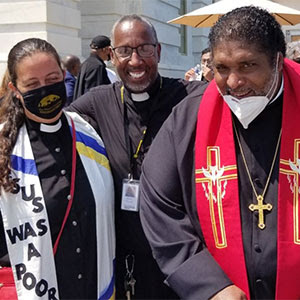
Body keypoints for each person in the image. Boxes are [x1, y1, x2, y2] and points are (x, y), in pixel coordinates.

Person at [140, 6, 300, 300]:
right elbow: (158, 202)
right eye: (222, 69)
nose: (234, 83)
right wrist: (207, 284)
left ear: (278, 61)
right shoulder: (191, 116)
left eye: (248, 66)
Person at [68, 14, 204, 299]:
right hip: (126, 252)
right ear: (111, 55)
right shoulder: (98, 101)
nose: (135, 61)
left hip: (180, 254)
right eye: (124, 51)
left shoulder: (189, 97)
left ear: (158, 51)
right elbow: (53, 126)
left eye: (144, 49)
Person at [0, 38, 115, 300]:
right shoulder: (3, 151)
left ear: (64, 75)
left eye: (52, 79)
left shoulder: (89, 135)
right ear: (15, 89)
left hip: (93, 287)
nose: (45, 90)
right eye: (32, 85)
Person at [73, 35, 111, 100]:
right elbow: (96, 95)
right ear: (105, 49)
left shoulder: (85, 64)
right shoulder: (97, 66)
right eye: (110, 50)